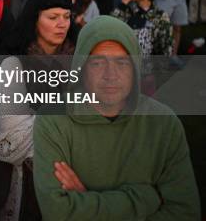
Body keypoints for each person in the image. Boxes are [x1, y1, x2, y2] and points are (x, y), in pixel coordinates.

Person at [33, 16, 200, 220]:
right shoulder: (53, 120)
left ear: (135, 68)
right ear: (81, 68)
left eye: (122, 62)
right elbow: (57, 212)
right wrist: (146, 198)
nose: (110, 75)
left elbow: (185, 212)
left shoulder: (163, 123)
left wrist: (86, 201)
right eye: (97, 63)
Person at [0, 0, 77, 221]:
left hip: (75, 179)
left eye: (66, 17)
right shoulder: (14, 65)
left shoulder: (80, 62)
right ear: (34, 20)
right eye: (52, 17)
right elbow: (11, 139)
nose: (62, 24)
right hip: (26, 180)